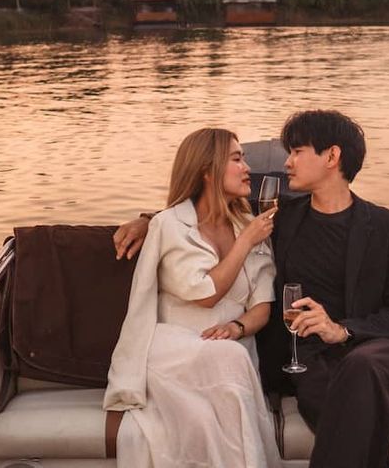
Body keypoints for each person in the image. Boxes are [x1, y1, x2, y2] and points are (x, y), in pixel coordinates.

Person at [114, 111, 389, 468]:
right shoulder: (280, 218)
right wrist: (148, 221)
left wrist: (340, 330)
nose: (287, 162)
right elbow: (207, 200)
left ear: (332, 156)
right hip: (309, 360)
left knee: (360, 368)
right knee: (334, 397)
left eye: (297, 152)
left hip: (378, 354)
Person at [104, 128, 282, 468]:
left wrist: (238, 327)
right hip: (174, 348)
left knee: (230, 361)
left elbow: (262, 306)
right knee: (227, 365)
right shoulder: (170, 225)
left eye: (244, 158)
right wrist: (244, 242)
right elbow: (205, 295)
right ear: (207, 171)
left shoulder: (249, 224)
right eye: (237, 159)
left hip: (232, 350)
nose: (248, 168)